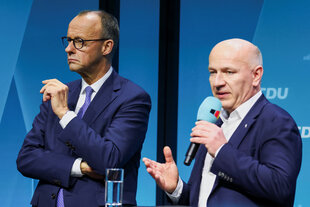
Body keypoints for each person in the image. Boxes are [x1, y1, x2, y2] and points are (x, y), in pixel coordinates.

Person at [143, 38, 302, 207]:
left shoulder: (276, 121)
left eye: (229, 72)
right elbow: (210, 198)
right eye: (213, 72)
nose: (217, 82)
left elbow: (280, 187)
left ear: (256, 75)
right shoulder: (215, 122)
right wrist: (177, 189)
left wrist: (221, 150)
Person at [16, 10, 151, 207]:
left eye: (79, 41)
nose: (68, 49)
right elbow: (26, 158)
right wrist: (79, 167)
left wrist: (64, 114)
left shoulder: (132, 98)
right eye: (68, 40)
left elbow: (109, 160)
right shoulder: (61, 93)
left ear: (106, 46)